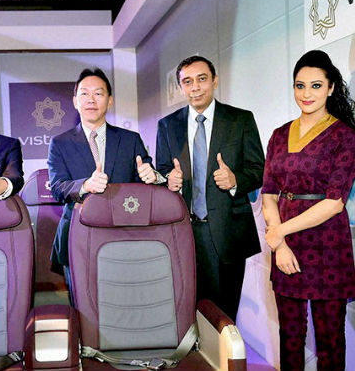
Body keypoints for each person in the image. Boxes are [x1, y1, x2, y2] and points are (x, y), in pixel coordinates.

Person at [262, 50, 355, 371]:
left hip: (328, 244)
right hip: (285, 246)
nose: (306, 94)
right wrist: (280, 244)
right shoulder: (279, 135)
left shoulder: (345, 136)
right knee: (289, 335)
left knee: (330, 340)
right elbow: (269, 194)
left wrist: (278, 233)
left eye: (316, 86)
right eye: (300, 86)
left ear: (331, 88)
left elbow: (335, 202)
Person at [156, 56, 264, 321]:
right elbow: (163, 169)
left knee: (225, 315)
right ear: (181, 87)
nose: (195, 87)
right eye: (187, 82)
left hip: (228, 232)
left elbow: (259, 170)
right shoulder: (167, 125)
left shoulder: (240, 120)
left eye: (202, 79)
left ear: (214, 81)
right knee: (187, 311)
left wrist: (235, 180)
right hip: (184, 232)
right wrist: (169, 179)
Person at [48, 68, 165, 296]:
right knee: (83, 304)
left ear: (109, 101)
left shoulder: (130, 140)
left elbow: (148, 178)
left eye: (98, 93)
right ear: (75, 101)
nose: (91, 99)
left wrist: (152, 177)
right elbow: (57, 188)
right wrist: (85, 185)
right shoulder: (59, 143)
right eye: (84, 93)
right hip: (78, 236)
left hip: (125, 236)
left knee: (125, 300)